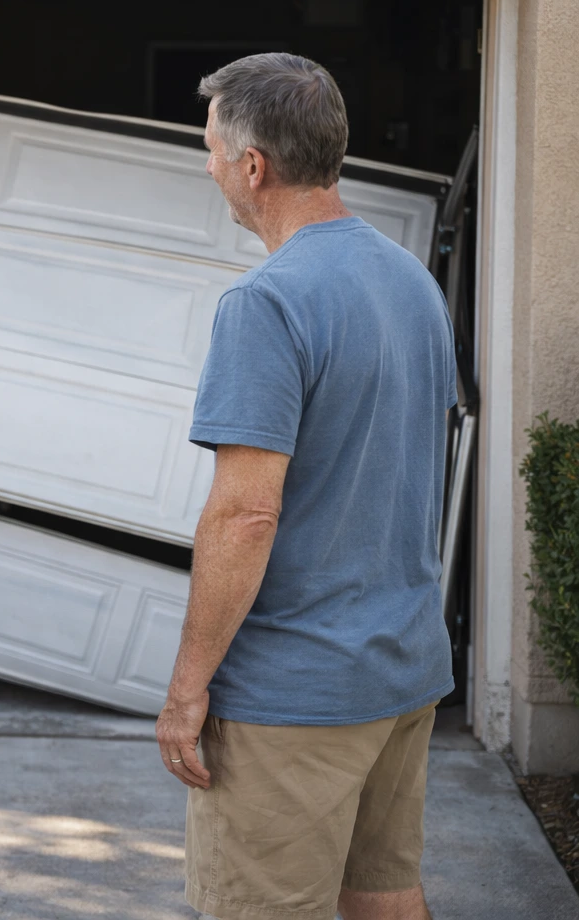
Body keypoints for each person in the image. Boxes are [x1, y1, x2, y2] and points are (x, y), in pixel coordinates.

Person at [155, 52, 456, 920]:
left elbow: (245, 514)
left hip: (294, 698)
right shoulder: (410, 282)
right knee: (388, 903)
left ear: (254, 166)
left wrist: (187, 688)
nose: (208, 165)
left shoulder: (268, 303)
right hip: (400, 672)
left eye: (211, 149)